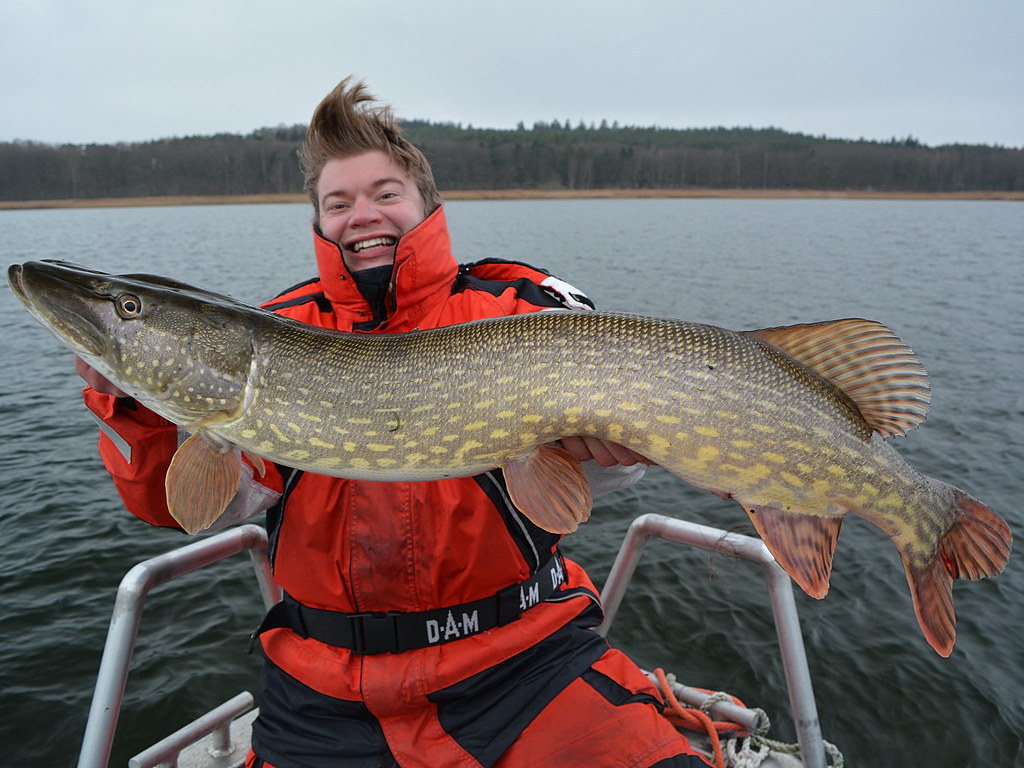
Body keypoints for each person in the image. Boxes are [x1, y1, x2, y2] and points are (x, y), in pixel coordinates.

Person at [77, 78, 713, 768]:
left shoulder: (518, 309)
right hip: (325, 693)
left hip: (525, 663)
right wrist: (133, 407)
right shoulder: (277, 336)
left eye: (385, 194)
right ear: (320, 222)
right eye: (338, 203)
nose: (362, 216)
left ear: (426, 204)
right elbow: (201, 508)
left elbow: (613, 474)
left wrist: (599, 454)